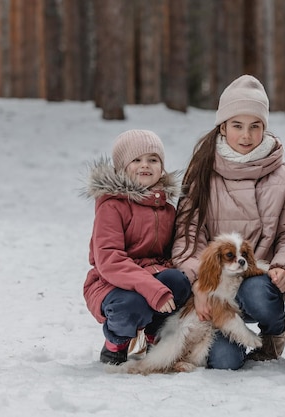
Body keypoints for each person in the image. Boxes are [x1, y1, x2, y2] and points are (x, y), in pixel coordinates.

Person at [172, 75, 285, 370]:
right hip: (216, 284)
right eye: (237, 126)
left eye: (255, 126)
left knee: (256, 293)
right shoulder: (202, 172)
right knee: (223, 362)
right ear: (222, 127)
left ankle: (273, 333)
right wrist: (199, 283)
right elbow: (187, 234)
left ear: (264, 128)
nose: (246, 135)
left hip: (257, 278)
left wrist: (284, 266)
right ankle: (231, 337)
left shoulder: (284, 174)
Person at [82, 129, 192, 365]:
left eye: (153, 160)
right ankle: (116, 343)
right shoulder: (111, 207)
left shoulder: (166, 209)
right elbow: (109, 259)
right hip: (110, 282)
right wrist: (152, 289)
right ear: (122, 167)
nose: (145, 165)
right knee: (132, 305)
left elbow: (171, 253)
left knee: (178, 281)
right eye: (137, 160)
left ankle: (153, 337)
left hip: (151, 275)